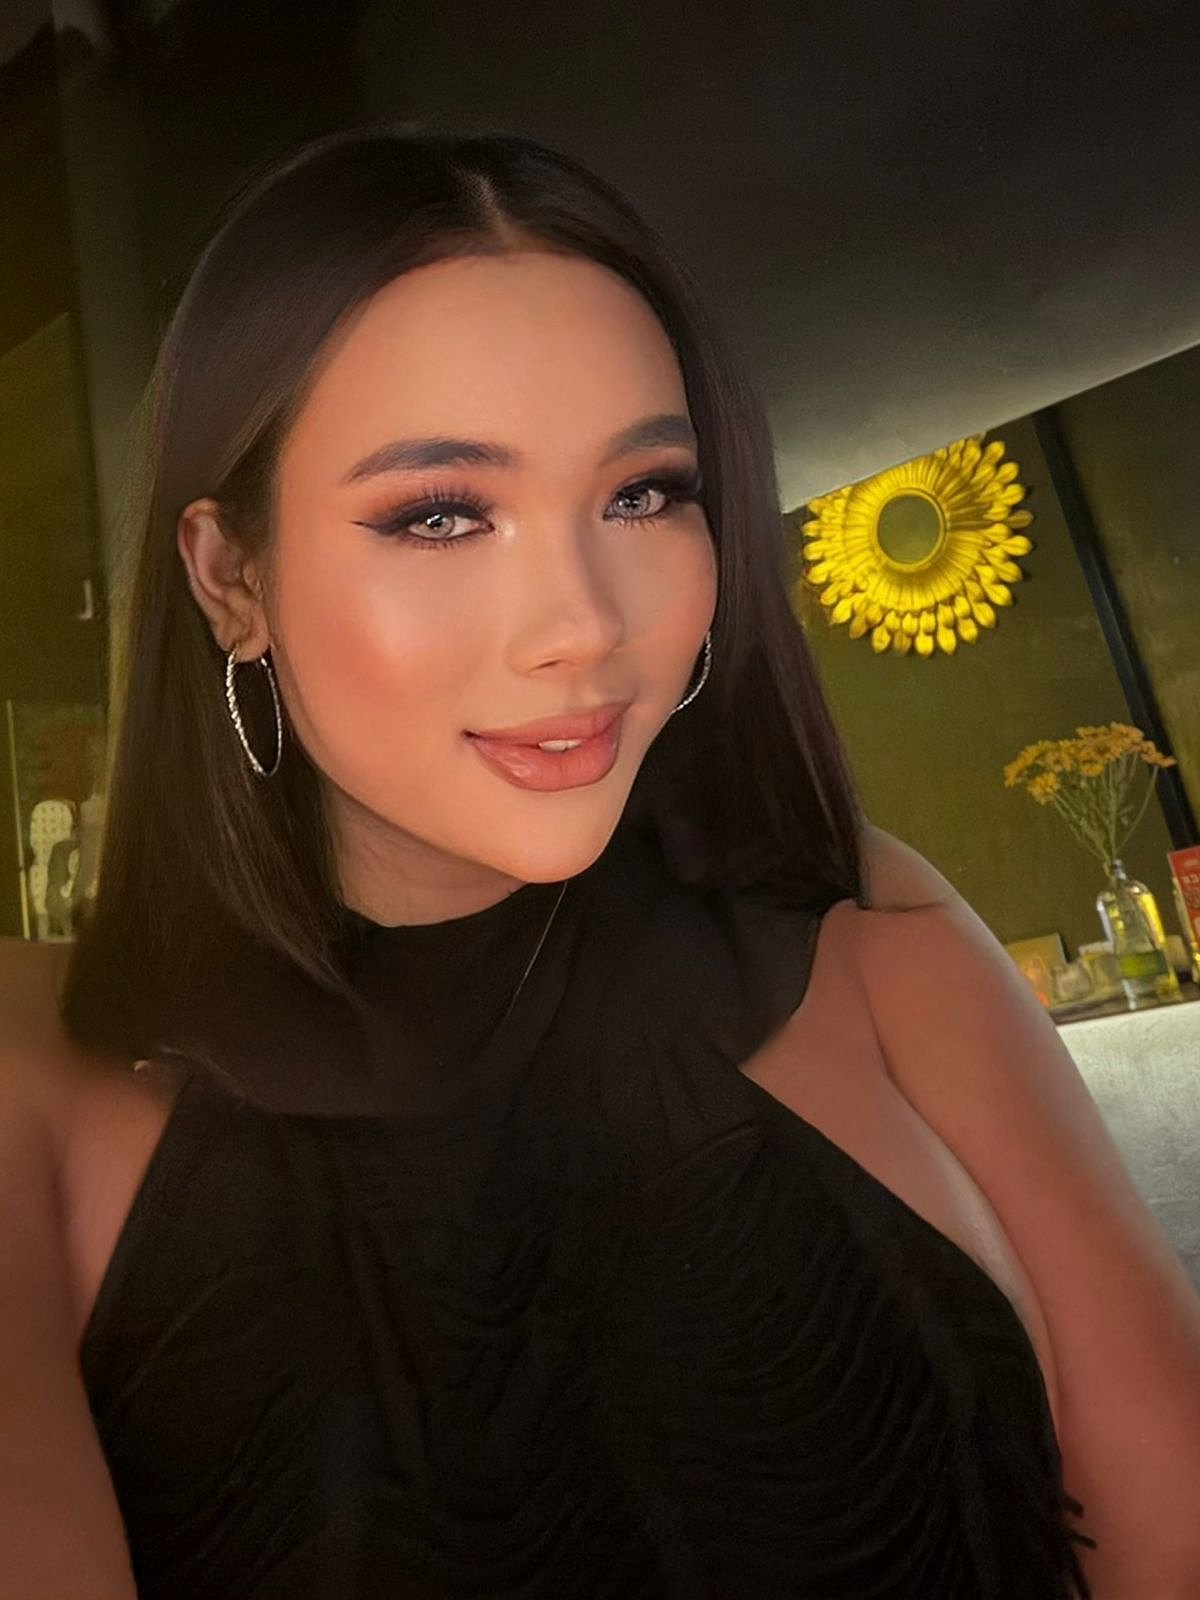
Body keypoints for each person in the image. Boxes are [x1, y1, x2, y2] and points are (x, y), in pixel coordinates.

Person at [2, 121, 1199, 1600]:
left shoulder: (862, 925)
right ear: (229, 576)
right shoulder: (39, 1071)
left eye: (643, 494)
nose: (582, 622)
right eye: (441, 514)